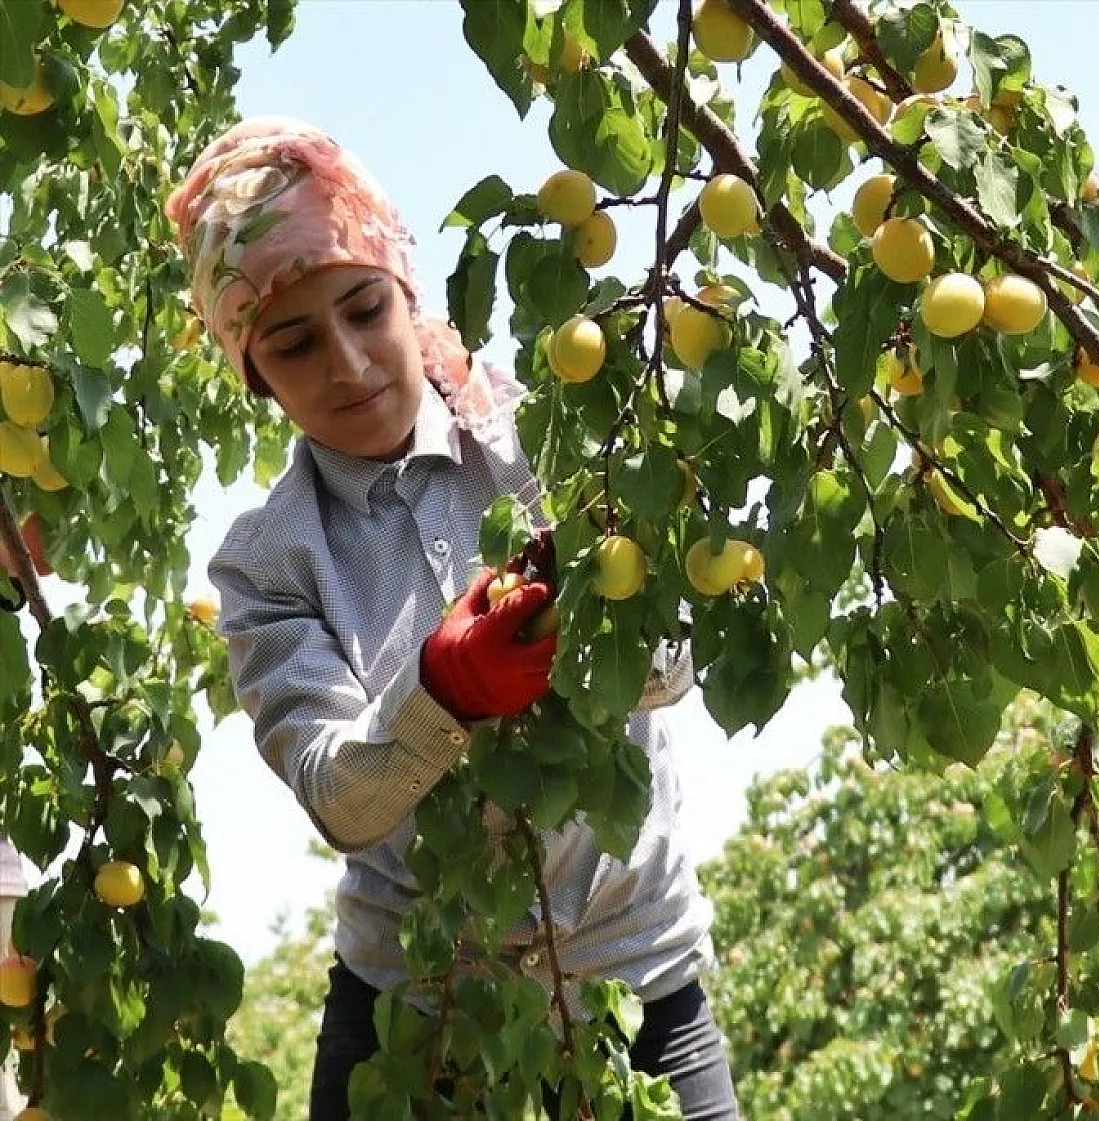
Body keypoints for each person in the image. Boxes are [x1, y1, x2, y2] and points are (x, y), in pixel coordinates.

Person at [164, 117, 739, 1120]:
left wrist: (601, 627)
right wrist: (442, 691)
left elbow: (677, 665)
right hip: (414, 1010)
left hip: (631, 969)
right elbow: (336, 796)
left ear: (403, 289)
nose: (344, 363)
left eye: (362, 309)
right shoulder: (266, 562)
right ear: (252, 371)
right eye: (293, 343)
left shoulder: (542, 431)